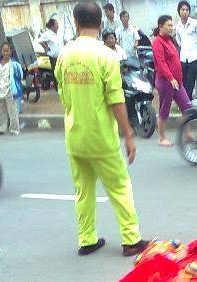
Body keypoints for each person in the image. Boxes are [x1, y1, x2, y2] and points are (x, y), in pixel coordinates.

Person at [55, 1, 150, 257]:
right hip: (100, 137)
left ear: (76, 23)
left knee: (83, 191)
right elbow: (116, 99)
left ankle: (87, 239)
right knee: (119, 186)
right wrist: (129, 134)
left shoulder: (65, 54)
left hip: (74, 135)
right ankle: (131, 239)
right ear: (100, 24)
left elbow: (63, 94)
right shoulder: (106, 55)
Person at [152, 15, 192, 146]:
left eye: (171, 25)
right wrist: (171, 78)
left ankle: (188, 134)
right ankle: (161, 137)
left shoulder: (170, 41)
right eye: (168, 25)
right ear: (160, 27)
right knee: (165, 109)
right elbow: (161, 63)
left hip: (177, 82)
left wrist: (176, 79)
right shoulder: (158, 42)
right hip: (165, 82)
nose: (171, 28)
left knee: (187, 107)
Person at [0, 41, 23, 135]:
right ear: (1, 52)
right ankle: (0, 129)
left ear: (10, 51)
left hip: (10, 90)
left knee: (13, 111)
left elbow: (20, 75)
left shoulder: (14, 64)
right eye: (4, 51)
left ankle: (14, 129)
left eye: (7, 51)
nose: (5, 53)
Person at [174, 0, 197, 100]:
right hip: (183, 58)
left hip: (194, 57)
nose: (185, 12)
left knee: (191, 82)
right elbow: (179, 41)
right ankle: (187, 102)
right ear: (179, 11)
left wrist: (195, 46)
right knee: (184, 81)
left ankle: (188, 102)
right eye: (182, 10)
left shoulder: (195, 24)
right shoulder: (177, 26)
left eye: (187, 10)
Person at [38, 18, 62, 83]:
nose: (58, 26)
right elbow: (39, 41)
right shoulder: (47, 34)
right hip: (53, 57)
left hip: (60, 57)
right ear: (52, 26)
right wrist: (46, 47)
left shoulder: (56, 34)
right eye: (56, 24)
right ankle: (57, 87)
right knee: (56, 73)